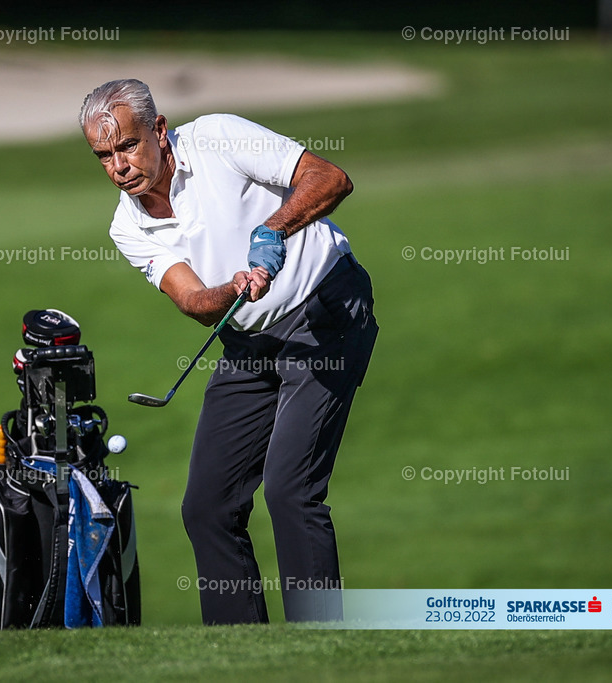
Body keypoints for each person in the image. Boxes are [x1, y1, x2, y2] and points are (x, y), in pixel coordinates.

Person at [79, 79, 378, 624]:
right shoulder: (128, 225)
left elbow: (330, 178)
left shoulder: (217, 136)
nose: (119, 165)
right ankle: (240, 654)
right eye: (104, 155)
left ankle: (320, 645)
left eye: (127, 145)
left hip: (325, 312)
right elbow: (194, 300)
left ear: (160, 132)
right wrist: (233, 286)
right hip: (248, 337)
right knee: (208, 507)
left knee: (290, 492)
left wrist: (275, 227)